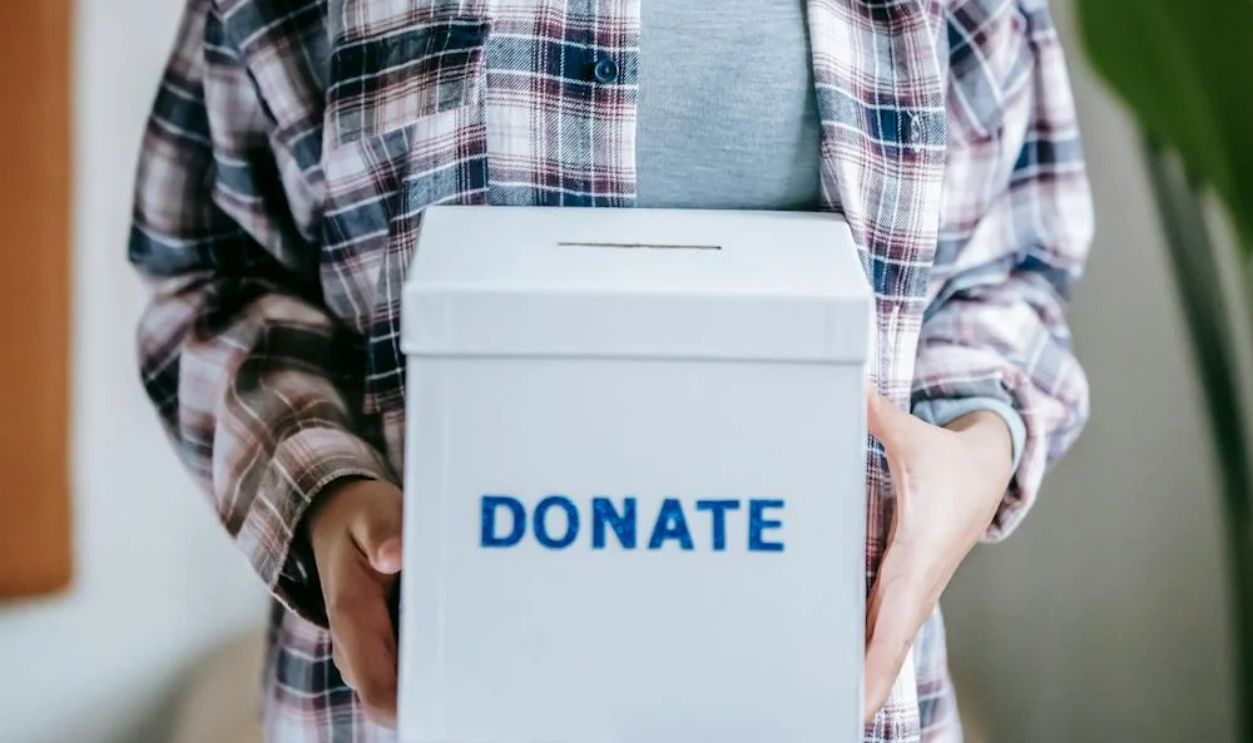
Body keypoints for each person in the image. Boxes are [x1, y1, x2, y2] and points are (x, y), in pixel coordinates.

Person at [129, 0, 1092, 740]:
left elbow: (1009, 267)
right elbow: (213, 270)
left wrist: (976, 446)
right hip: (405, 706)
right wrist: (322, 490)